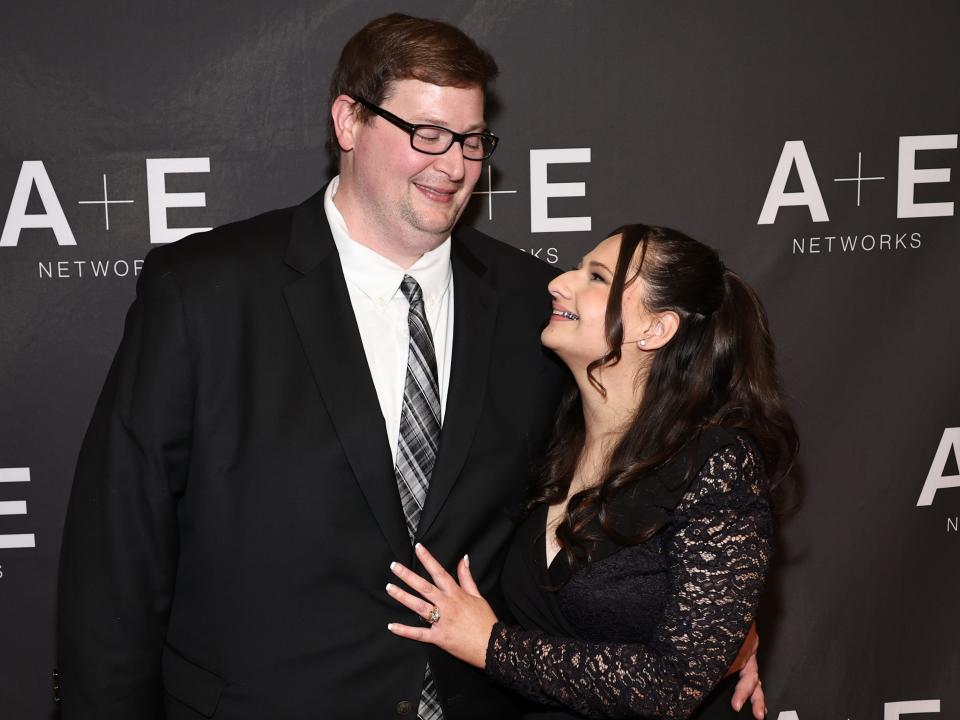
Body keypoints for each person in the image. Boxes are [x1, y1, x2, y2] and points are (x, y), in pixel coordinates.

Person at [57, 13, 765, 720]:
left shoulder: (534, 307)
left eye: (471, 141)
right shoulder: (206, 290)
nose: (453, 164)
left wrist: (718, 625)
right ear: (348, 121)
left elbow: (652, 462)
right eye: (425, 134)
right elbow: (119, 551)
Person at [385, 225, 798, 718]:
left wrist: (491, 646)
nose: (560, 283)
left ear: (655, 328)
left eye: (597, 277)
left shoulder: (715, 463)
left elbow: (672, 685)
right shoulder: (551, 437)